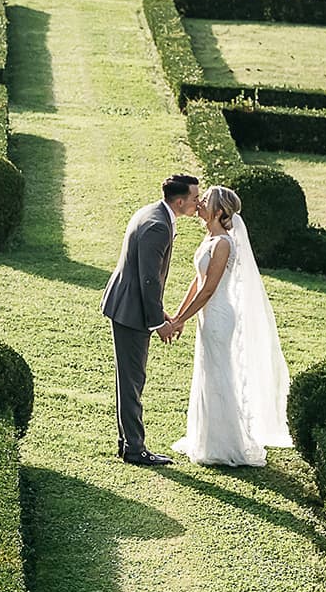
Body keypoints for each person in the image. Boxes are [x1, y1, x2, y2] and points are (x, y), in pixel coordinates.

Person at [159, 184, 292, 468]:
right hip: (207, 316)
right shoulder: (209, 238)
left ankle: (227, 444)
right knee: (208, 372)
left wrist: (182, 320)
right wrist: (177, 317)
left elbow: (208, 290)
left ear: (219, 211)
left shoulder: (223, 244)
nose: (199, 205)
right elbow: (196, 282)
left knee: (220, 375)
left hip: (219, 315)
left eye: (205, 202)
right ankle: (206, 437)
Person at [102, 173, 201, 468]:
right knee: (133, 380)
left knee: (129, 379)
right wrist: (158, 323)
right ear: (180, 201)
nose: (199, 202)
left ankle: (127, 443)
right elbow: (148, 280)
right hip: (131, 311)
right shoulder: (158, 225)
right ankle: (135, 449)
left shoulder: (153, 211)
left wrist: (160, 314)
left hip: (129, 306)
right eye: (195, 198)